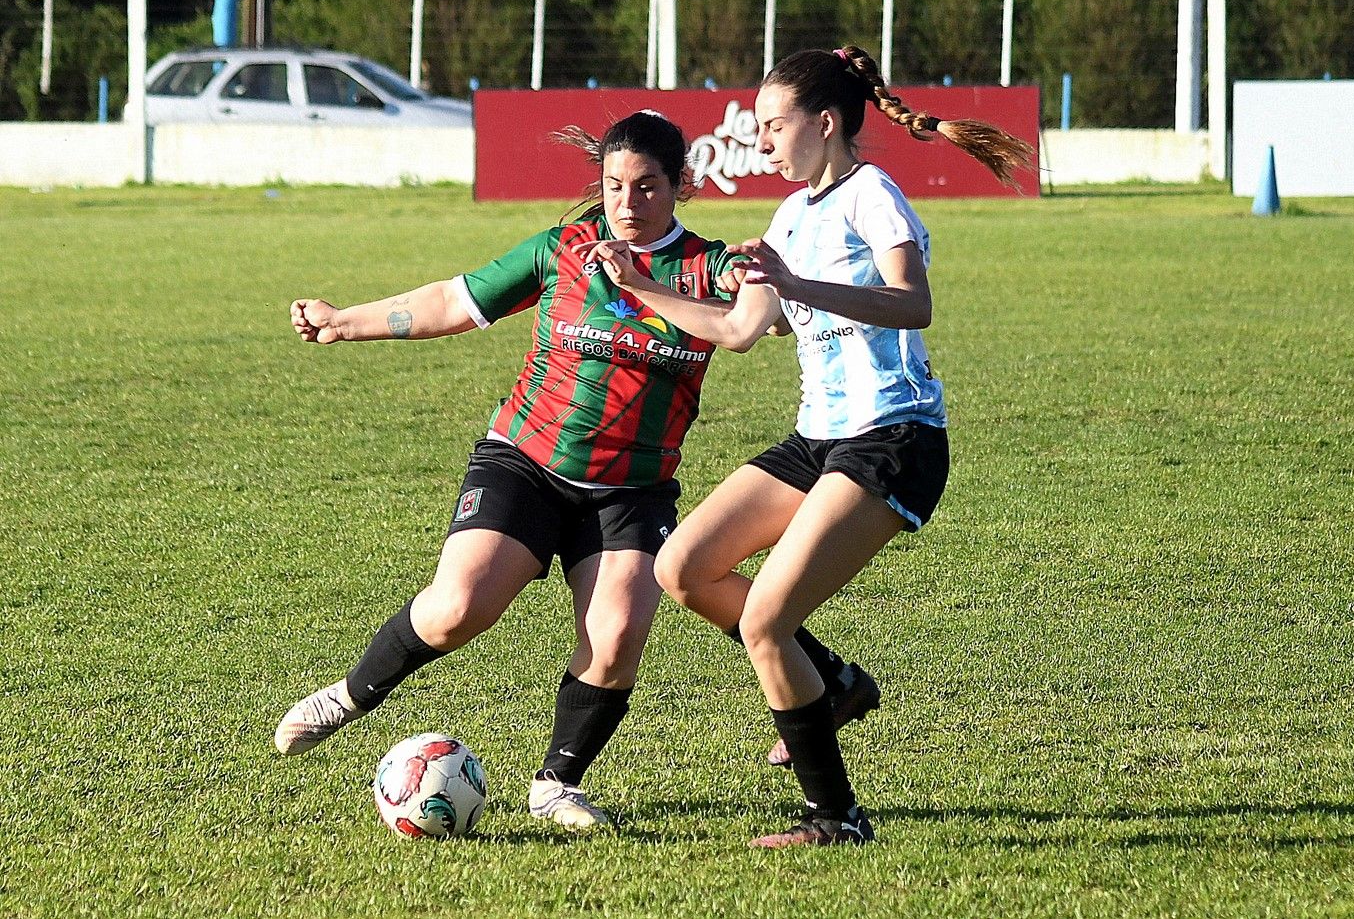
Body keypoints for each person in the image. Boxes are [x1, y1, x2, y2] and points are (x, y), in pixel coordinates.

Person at [273, 110, 868, 831]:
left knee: (615, 639)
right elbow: (454, 301)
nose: (627, 202)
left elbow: (766, 313)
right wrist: (343, 321)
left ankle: (556, 784)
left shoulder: (708, 268)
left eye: (647, 186)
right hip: (525, 463)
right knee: (458, 607)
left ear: (680, 184)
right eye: (615, 185)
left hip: (631, 490)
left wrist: (780, 292)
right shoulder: (564, 249)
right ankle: (346, 696)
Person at [588, 45, 1033, 848]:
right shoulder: (791, 215)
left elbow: (913, 303)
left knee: (765, 619)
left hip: (893, 436)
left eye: (772, 124)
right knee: (682, 567)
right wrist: (642, 287)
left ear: (824, 123)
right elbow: (737, 330)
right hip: (819, 438)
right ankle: (832, 683)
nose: (760, 140)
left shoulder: (872, 195)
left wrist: (798, 286)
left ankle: (836, 817)